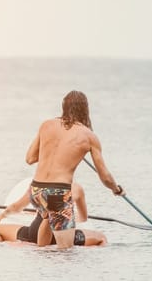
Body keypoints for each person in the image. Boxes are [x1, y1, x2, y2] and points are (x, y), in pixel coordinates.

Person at [26, 90, 126, 248]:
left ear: (64, 106)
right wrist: (116, 189)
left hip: (36, 191)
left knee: (46, 223)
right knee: (66, 255)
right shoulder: (89, 136)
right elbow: (105, 176)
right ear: (85, 110)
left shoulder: (46, 125)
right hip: (58, 193)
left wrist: (53, 150)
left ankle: (41, 271)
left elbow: (30, 158)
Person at [0, 183, 107, 246]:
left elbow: (16, 207)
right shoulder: (76, 188)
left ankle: (13, 247)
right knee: (101, 238)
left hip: (34, 234)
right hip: (65, 236)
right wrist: (70, 214)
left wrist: (3, 215)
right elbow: (83, 218)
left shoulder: (37, 186)